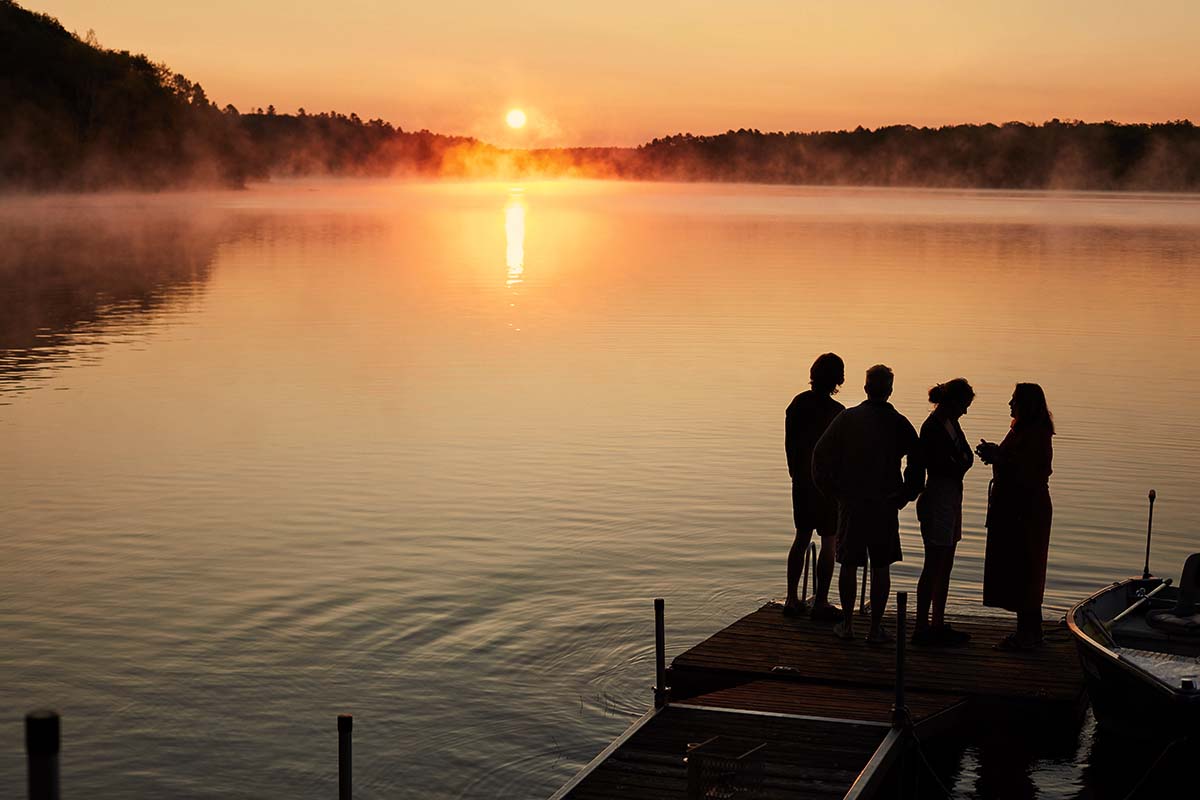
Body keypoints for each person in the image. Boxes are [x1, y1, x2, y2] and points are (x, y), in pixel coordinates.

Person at [812, 364, 923, 642]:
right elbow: (918, 459)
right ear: (890, 390)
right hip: (885, 503)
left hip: (851, 502)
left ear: (866, 388)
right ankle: (874, 629)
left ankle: (847, 625)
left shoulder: (848, 418)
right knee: (881, 565)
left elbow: (820, 455)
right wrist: (907, 493)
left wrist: (831, 490)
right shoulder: (898, 422)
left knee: (849, 563)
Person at [976, 383, 1054, 650]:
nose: (1009, 405)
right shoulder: (1023, 430)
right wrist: (997, 454)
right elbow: (1015, 461)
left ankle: (1028, 634)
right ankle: (1030, 631)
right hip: (1018, 508)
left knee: (1026, 568)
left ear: (1026, 405)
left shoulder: (1036, 434)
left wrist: (998, 457)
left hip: (1027, 511)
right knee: (1021, 568)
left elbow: (1028, 472)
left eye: (1014, 401)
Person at [912, 378, 975, 646]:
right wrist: (960, 462)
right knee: (934, 562)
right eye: (964, 405)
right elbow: (947, 463)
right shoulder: (933, 427)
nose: (966, 411)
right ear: (953, 402)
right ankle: (921, 625)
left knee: (945, 562)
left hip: (951, 496)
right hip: (937, 496)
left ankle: (936, 622)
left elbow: (965, 458)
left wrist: (961, 462)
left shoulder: (951, 424)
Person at [784, 353, 846, 620]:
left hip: (801, 480)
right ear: (838, 380)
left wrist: (795, 472)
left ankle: (791, 598)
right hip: (827, 485)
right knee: (829, 540)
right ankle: (820, 602)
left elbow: (790, 445)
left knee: (801, 537)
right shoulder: (838, 413)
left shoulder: (797, 404)